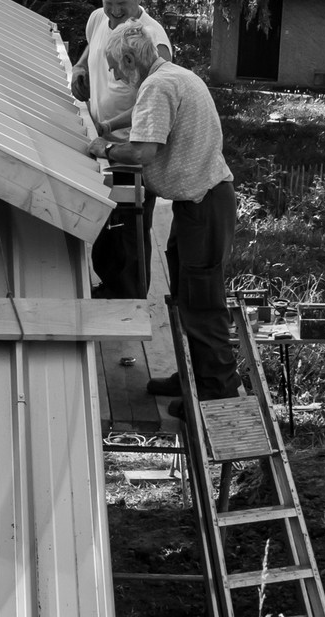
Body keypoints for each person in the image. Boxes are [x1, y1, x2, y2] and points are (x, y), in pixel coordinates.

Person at [86, 22, 240, 415]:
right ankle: (192, 376)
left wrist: (105, 148)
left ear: (129, 59)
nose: (115, 75)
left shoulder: (157, 86)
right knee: (186, 296)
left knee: (202, 303)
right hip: (201, 203)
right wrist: (111, 128)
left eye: (115, 67)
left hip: (204, 205)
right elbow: (144, 118)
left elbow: (142, 153)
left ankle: (216, 394)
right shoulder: (173, 76)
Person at [69, 0, 172, 299]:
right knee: (106, 224)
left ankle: (130, 299)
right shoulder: (98, 18)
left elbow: (153, 98)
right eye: (108, 3)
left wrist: (115, 130)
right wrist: (80, 66)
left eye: (122, 5)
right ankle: (111, 288)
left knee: (129, 228)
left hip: (133, 148)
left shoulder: (151, 39)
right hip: (102, 142)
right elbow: (93, 46)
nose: (113, 12)